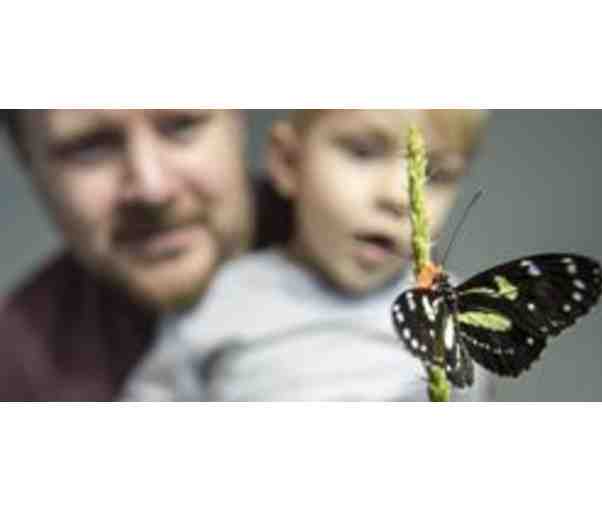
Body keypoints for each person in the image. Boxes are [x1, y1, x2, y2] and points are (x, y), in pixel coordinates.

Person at [123, 109, 495, 401]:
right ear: (288, 161)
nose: (398, 196)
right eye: (363, 152)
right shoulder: (222, 299)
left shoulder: (458, 315)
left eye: (436, 174)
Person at [0, 109, 290, 400]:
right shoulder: (15, 367)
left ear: (238, 118)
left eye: (181, 125)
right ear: (26, 159)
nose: (152, 190)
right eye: (90, 148)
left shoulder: (321, 252)